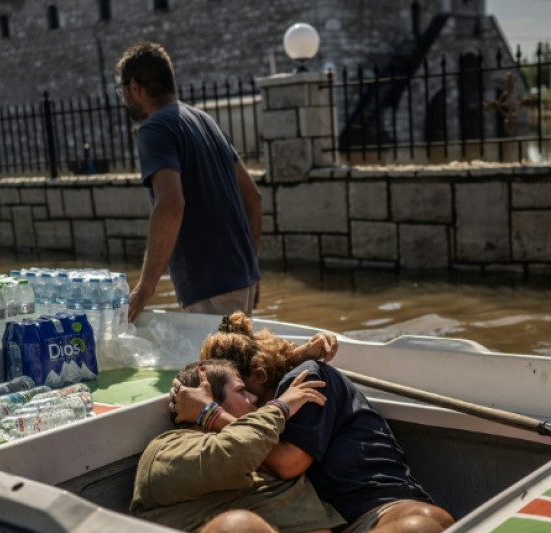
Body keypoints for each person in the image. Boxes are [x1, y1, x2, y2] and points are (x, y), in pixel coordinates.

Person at [174, 313, 455, 533]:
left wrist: (211, 414)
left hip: (380, 511)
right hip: (334, 523)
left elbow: (288, 463)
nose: (247, 400)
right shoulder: (257, 414)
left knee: (428, 524)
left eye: (242, 388)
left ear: (259, 375)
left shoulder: (306, 379)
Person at [115, 42, 262, 323]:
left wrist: (145, 289)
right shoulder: (205, 121)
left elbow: (170, 204)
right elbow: (253, 198)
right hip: (242, 280)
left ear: (135, 87)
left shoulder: (153, 130)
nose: (122, 98)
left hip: (210, 286)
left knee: (217, 367)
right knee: (236, 365)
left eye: (121, 90)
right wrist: (251, 269)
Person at [130, 359, 345, 533]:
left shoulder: (263, 446)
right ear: (210, 399)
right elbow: (233, 453)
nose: (254, 399)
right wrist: (279, 407)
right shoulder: (166, 449)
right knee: (239, 525)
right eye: (241, 391)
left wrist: (296, 355)